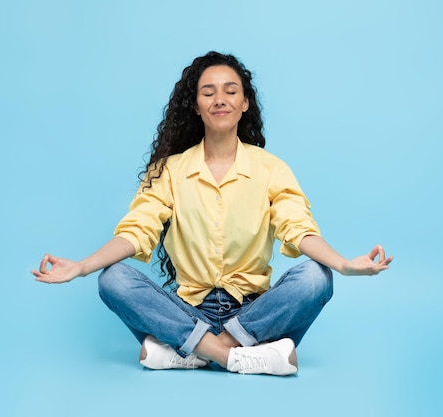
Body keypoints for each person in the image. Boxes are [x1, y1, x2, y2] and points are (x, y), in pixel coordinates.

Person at [32, 51, 393, 376]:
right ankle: (241, 356)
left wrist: (345, 265)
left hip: (256, 314)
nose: (220, 99)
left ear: (245, 103)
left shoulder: (272, 169)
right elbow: (136, 232)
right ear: (196, 106)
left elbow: (298, 229)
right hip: (188, 310)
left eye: (230, 91)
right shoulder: (170, 170)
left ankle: (190, 352)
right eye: (208, 92)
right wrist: (81, 266)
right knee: (112, 279)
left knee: (317, 277)